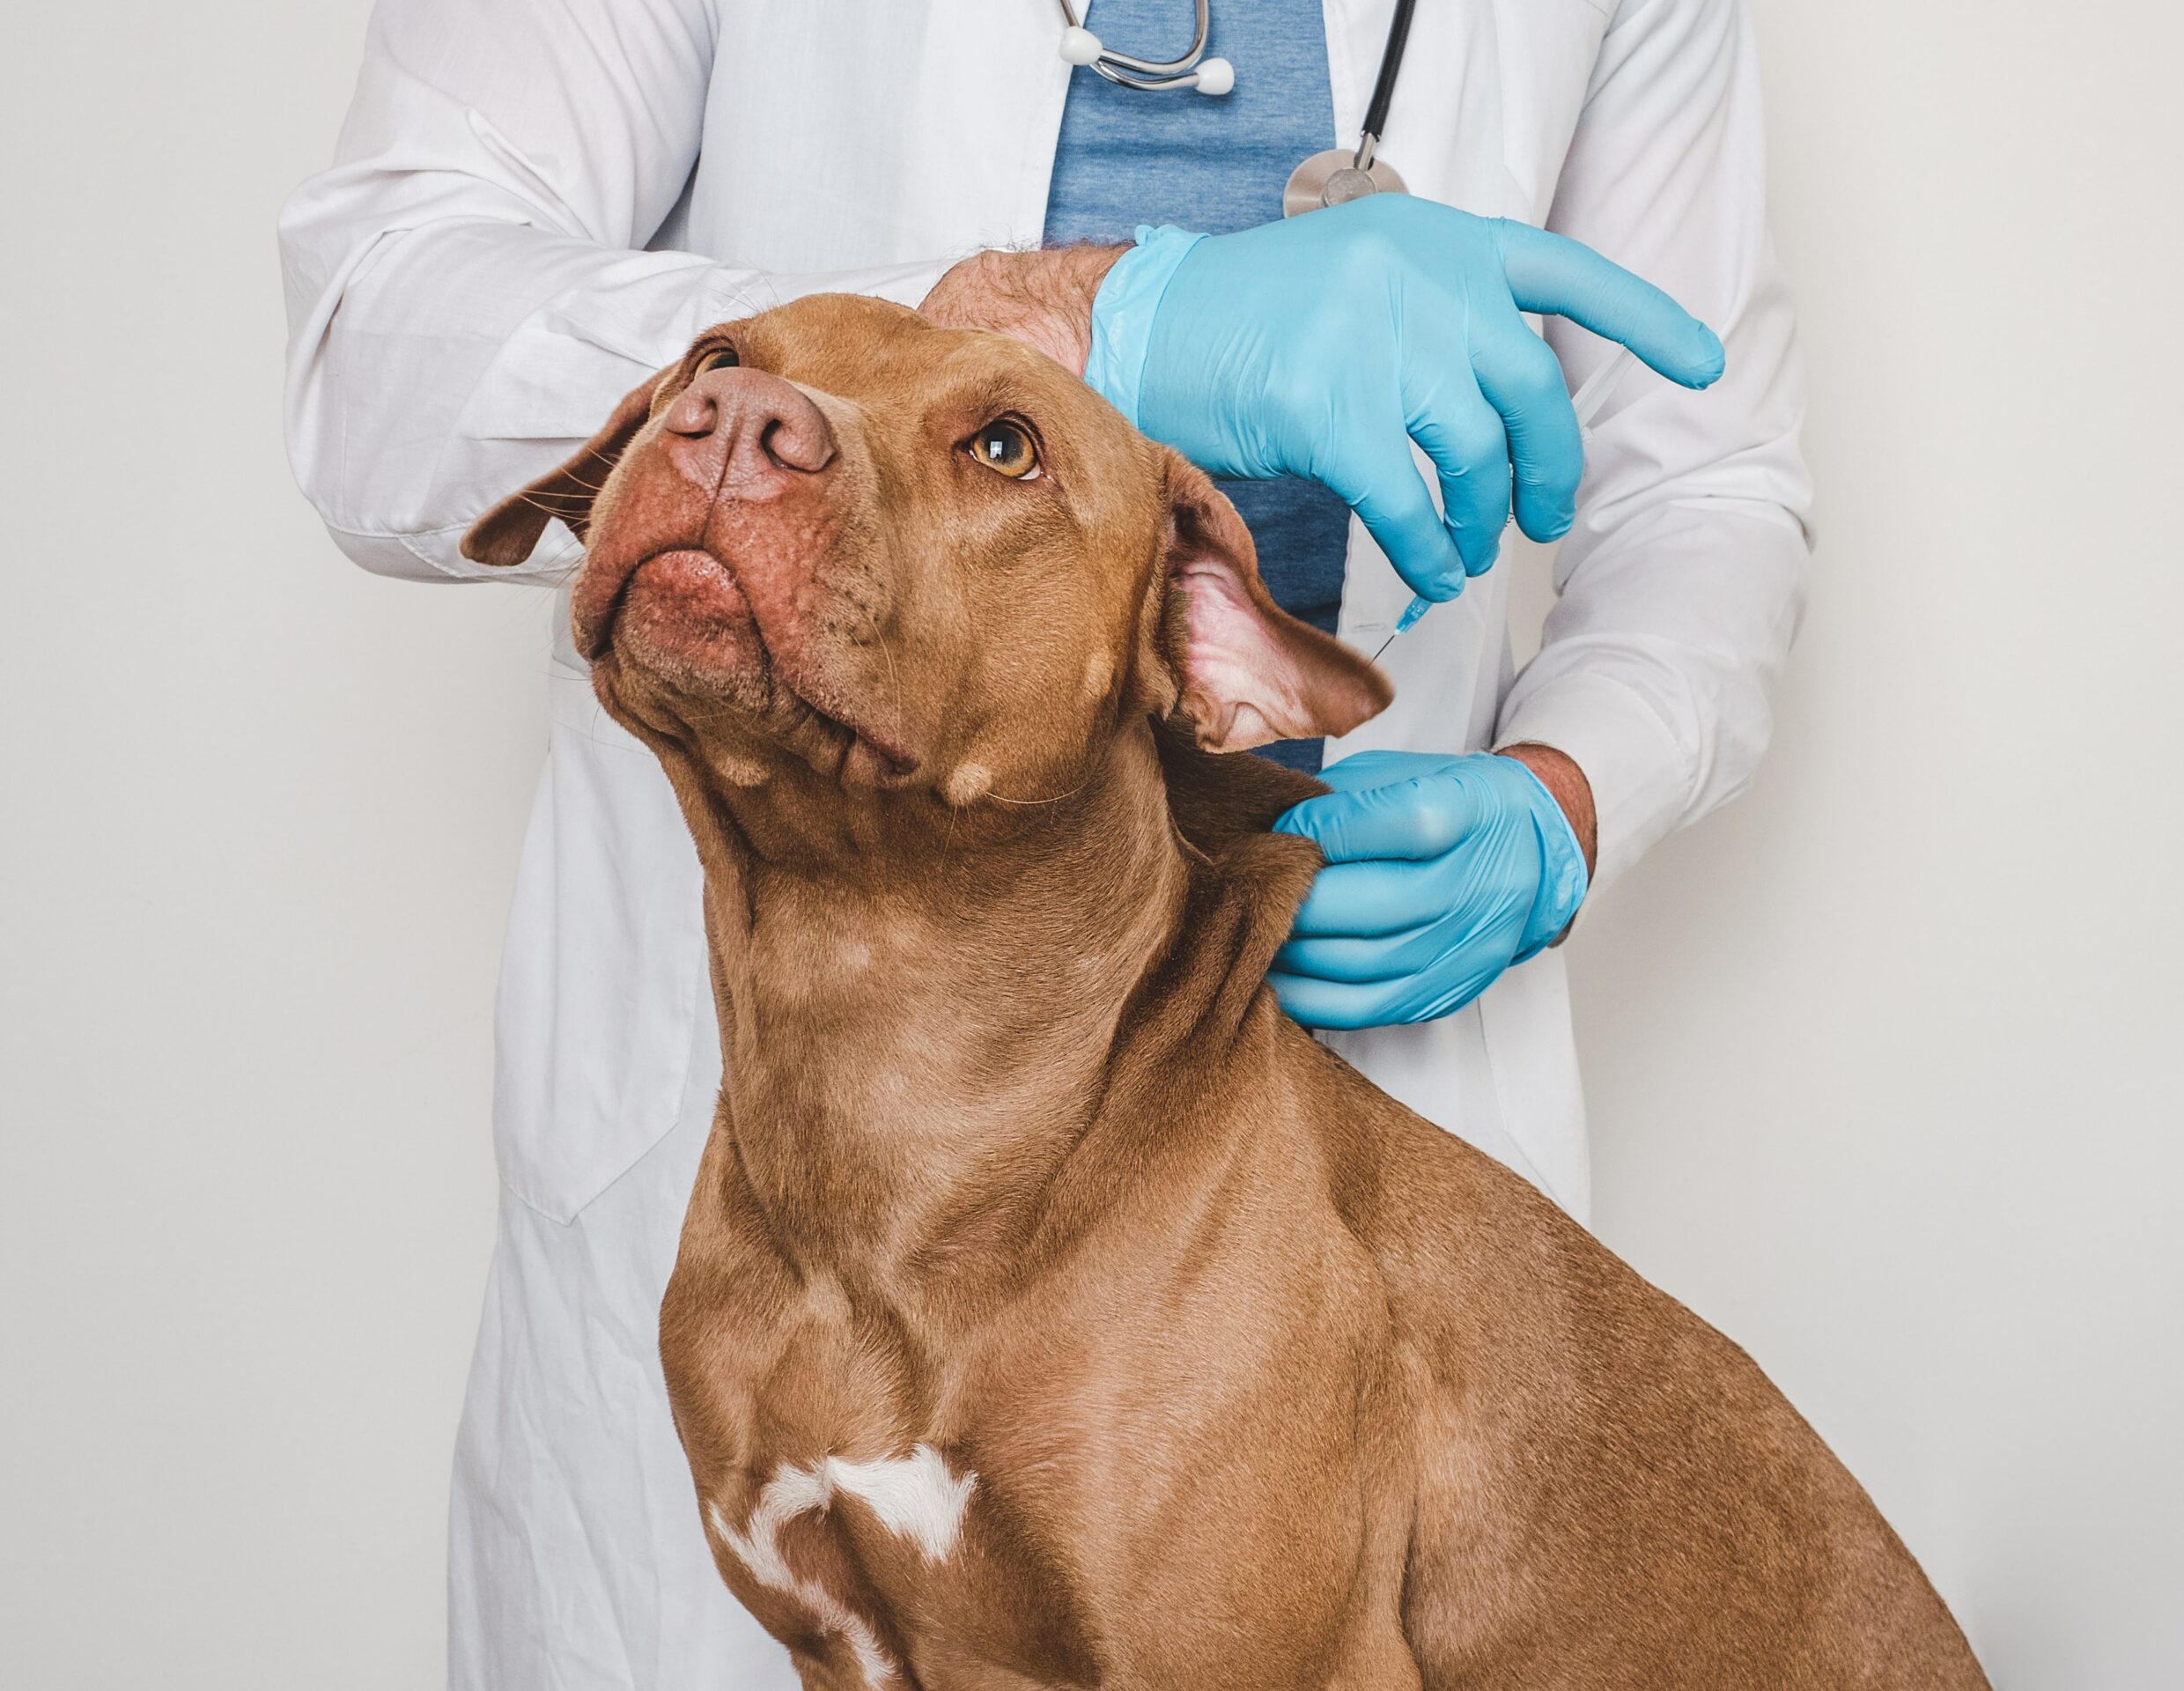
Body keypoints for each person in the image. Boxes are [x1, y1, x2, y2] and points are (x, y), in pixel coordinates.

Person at [280, 1, 1810, 1684]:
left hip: (1326, 1085)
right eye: (725, 399)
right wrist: (1060, 333)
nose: (744, 424)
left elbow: (1708, 485)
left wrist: (1570, 791)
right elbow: (380, 316)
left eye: (999, 450)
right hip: (750, 1090)